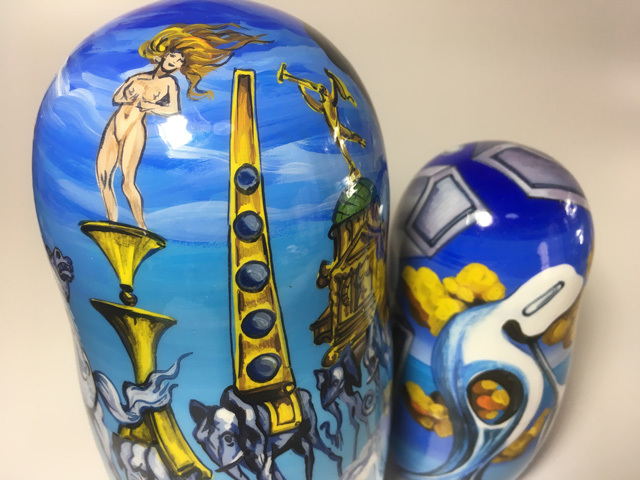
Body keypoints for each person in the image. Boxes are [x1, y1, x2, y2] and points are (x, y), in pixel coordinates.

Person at [96, 23, 267, 230]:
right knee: (103, 178)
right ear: (164, 55)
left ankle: (142, 227)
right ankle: (111, 224)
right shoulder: (137, 77)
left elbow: (172, 110)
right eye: (173, 57)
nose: (174, 62)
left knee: (127, 182)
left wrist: (148, 105)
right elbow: (116, 97)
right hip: (114, 125)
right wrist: (128, 95)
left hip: (134, 128)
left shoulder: (169, 83)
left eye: (179, 61)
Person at [278, 63, 366, 181]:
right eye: (323, 91)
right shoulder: (324, 106)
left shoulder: (331, 101)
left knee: (345, 141)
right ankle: (359, 146)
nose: (324, 91)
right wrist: (304, 93)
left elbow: (332, 91)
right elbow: (314, 104)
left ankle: (353, 165)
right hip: (335, 128)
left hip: (335, 129)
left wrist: (332, 80)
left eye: (324, 91)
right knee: (348, 137)